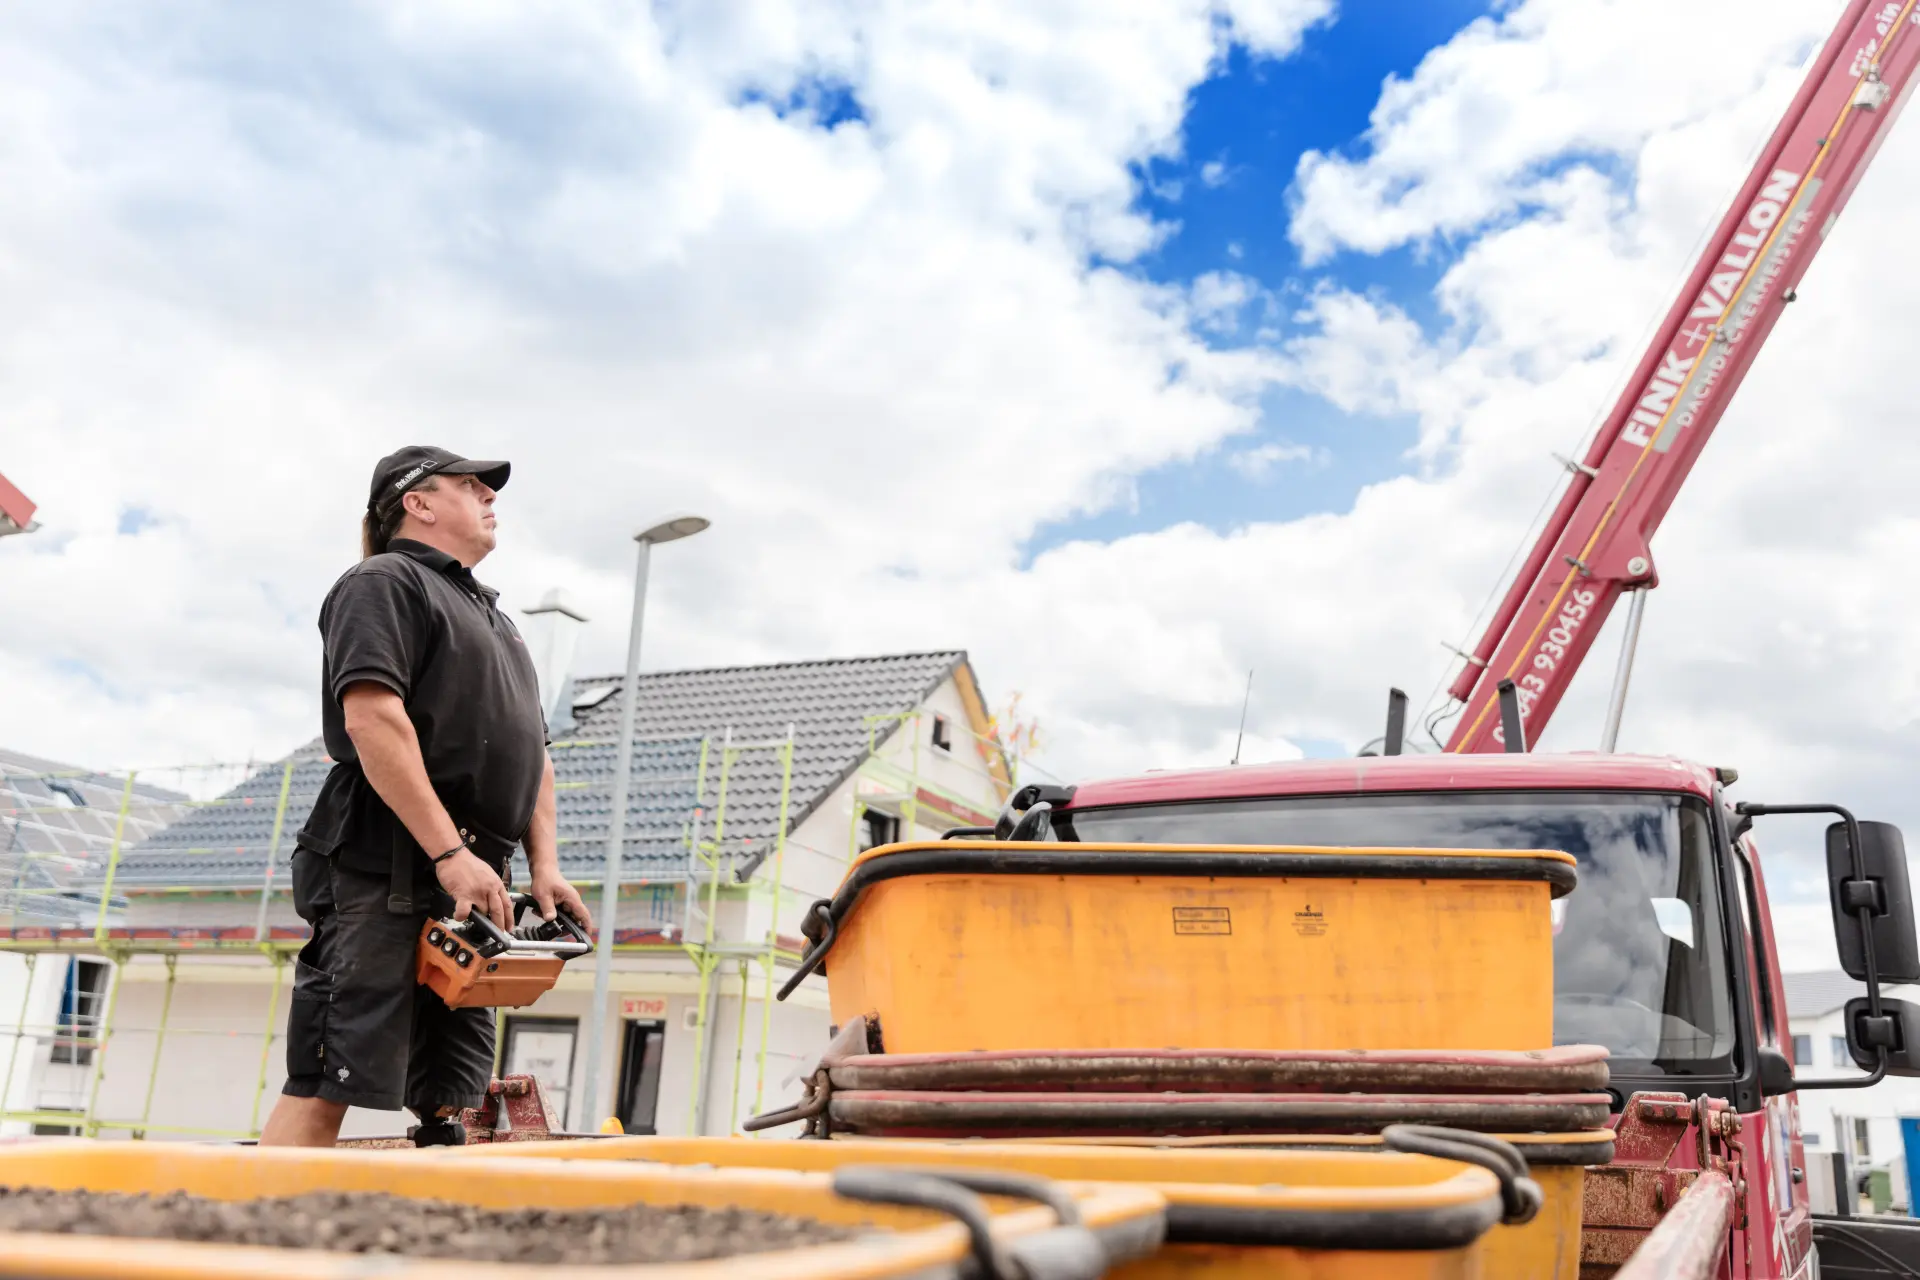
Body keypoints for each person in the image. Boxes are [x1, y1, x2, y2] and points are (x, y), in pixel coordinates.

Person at [259, 446, 593, 1147]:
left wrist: (546, 867)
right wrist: (447, 853)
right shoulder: (383, 582)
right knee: (330, 1076)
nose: (489, 497)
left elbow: (534, 756)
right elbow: (372, 719)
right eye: (470, 486)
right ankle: (256, 1217)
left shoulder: (498, 622)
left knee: (452, 1096)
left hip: (471, 882)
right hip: (383, 865)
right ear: (418, 503)